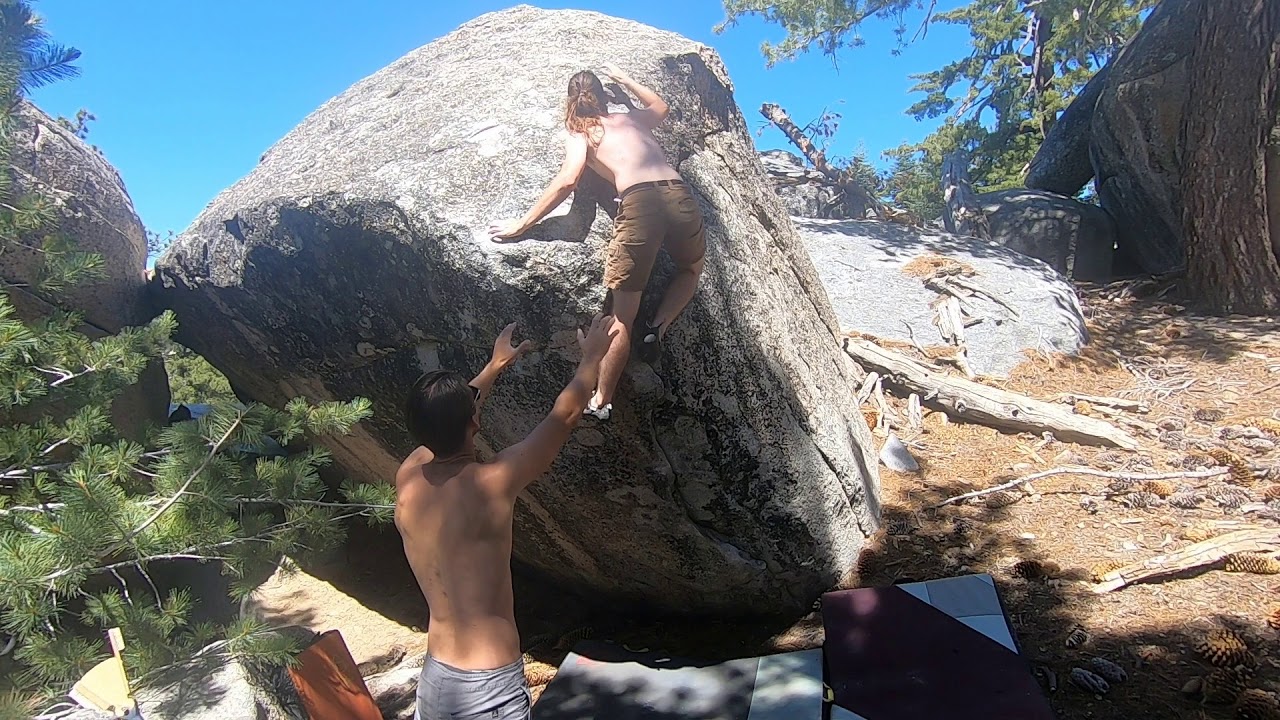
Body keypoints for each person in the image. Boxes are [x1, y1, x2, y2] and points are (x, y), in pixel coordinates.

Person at [395, 315, 618, 720]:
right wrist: (592, 358)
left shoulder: (409, 475)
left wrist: (494, 368)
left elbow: (445, 421)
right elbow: (564, 417)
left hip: (436, 681)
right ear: (474, 423)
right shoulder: (492, 482)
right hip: (488, 687)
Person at [488, 64, 706, 421]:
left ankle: (602, 400)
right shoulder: (630, 120)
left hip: (640, 202)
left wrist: (523, 224)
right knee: (690, 268)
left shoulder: (583, 131)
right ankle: (658, 328)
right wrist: (625, 78)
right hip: (679, 194)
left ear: (570, 102)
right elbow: (661, 106)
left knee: (622, 315)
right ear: (605, 96)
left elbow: (568, 179)